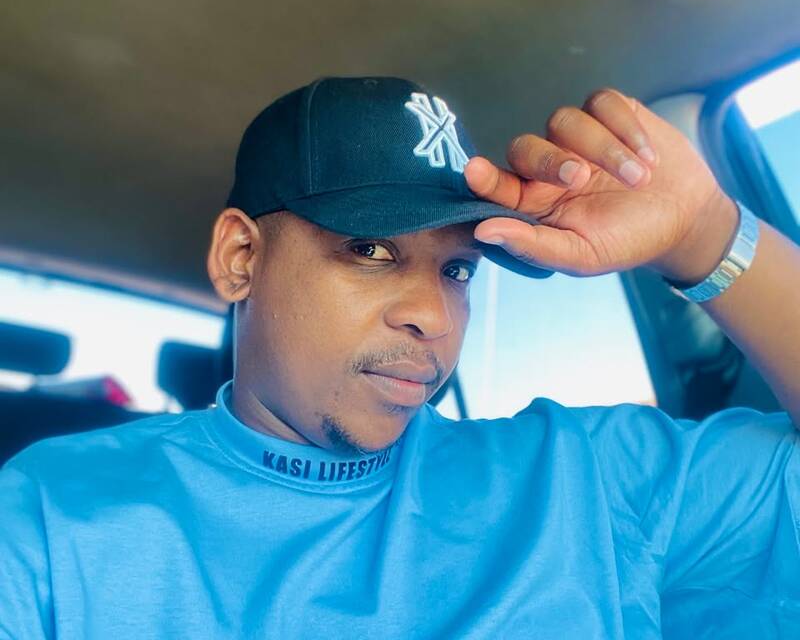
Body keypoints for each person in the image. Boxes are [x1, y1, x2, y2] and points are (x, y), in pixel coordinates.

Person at [1, 76, 798, 639]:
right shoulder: (51, 513)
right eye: (371, 249)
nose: (433, 315)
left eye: (458, 270)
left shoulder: (589, 478)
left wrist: (705, 233)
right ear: (241, 257)